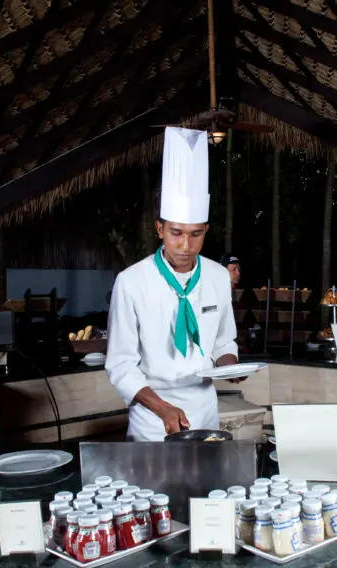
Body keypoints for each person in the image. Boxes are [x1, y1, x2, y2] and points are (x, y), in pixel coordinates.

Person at [106, 127, 243, 441]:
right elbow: (121, 364)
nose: (186, 245)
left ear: (206, 231)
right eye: (176, 233)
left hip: (205, 410)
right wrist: (161, 407)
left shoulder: (218, 277)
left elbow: (223, 340)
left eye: (196, 234)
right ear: (159, 229)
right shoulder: (131, 282)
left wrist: (230, 366)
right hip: (152, 417)